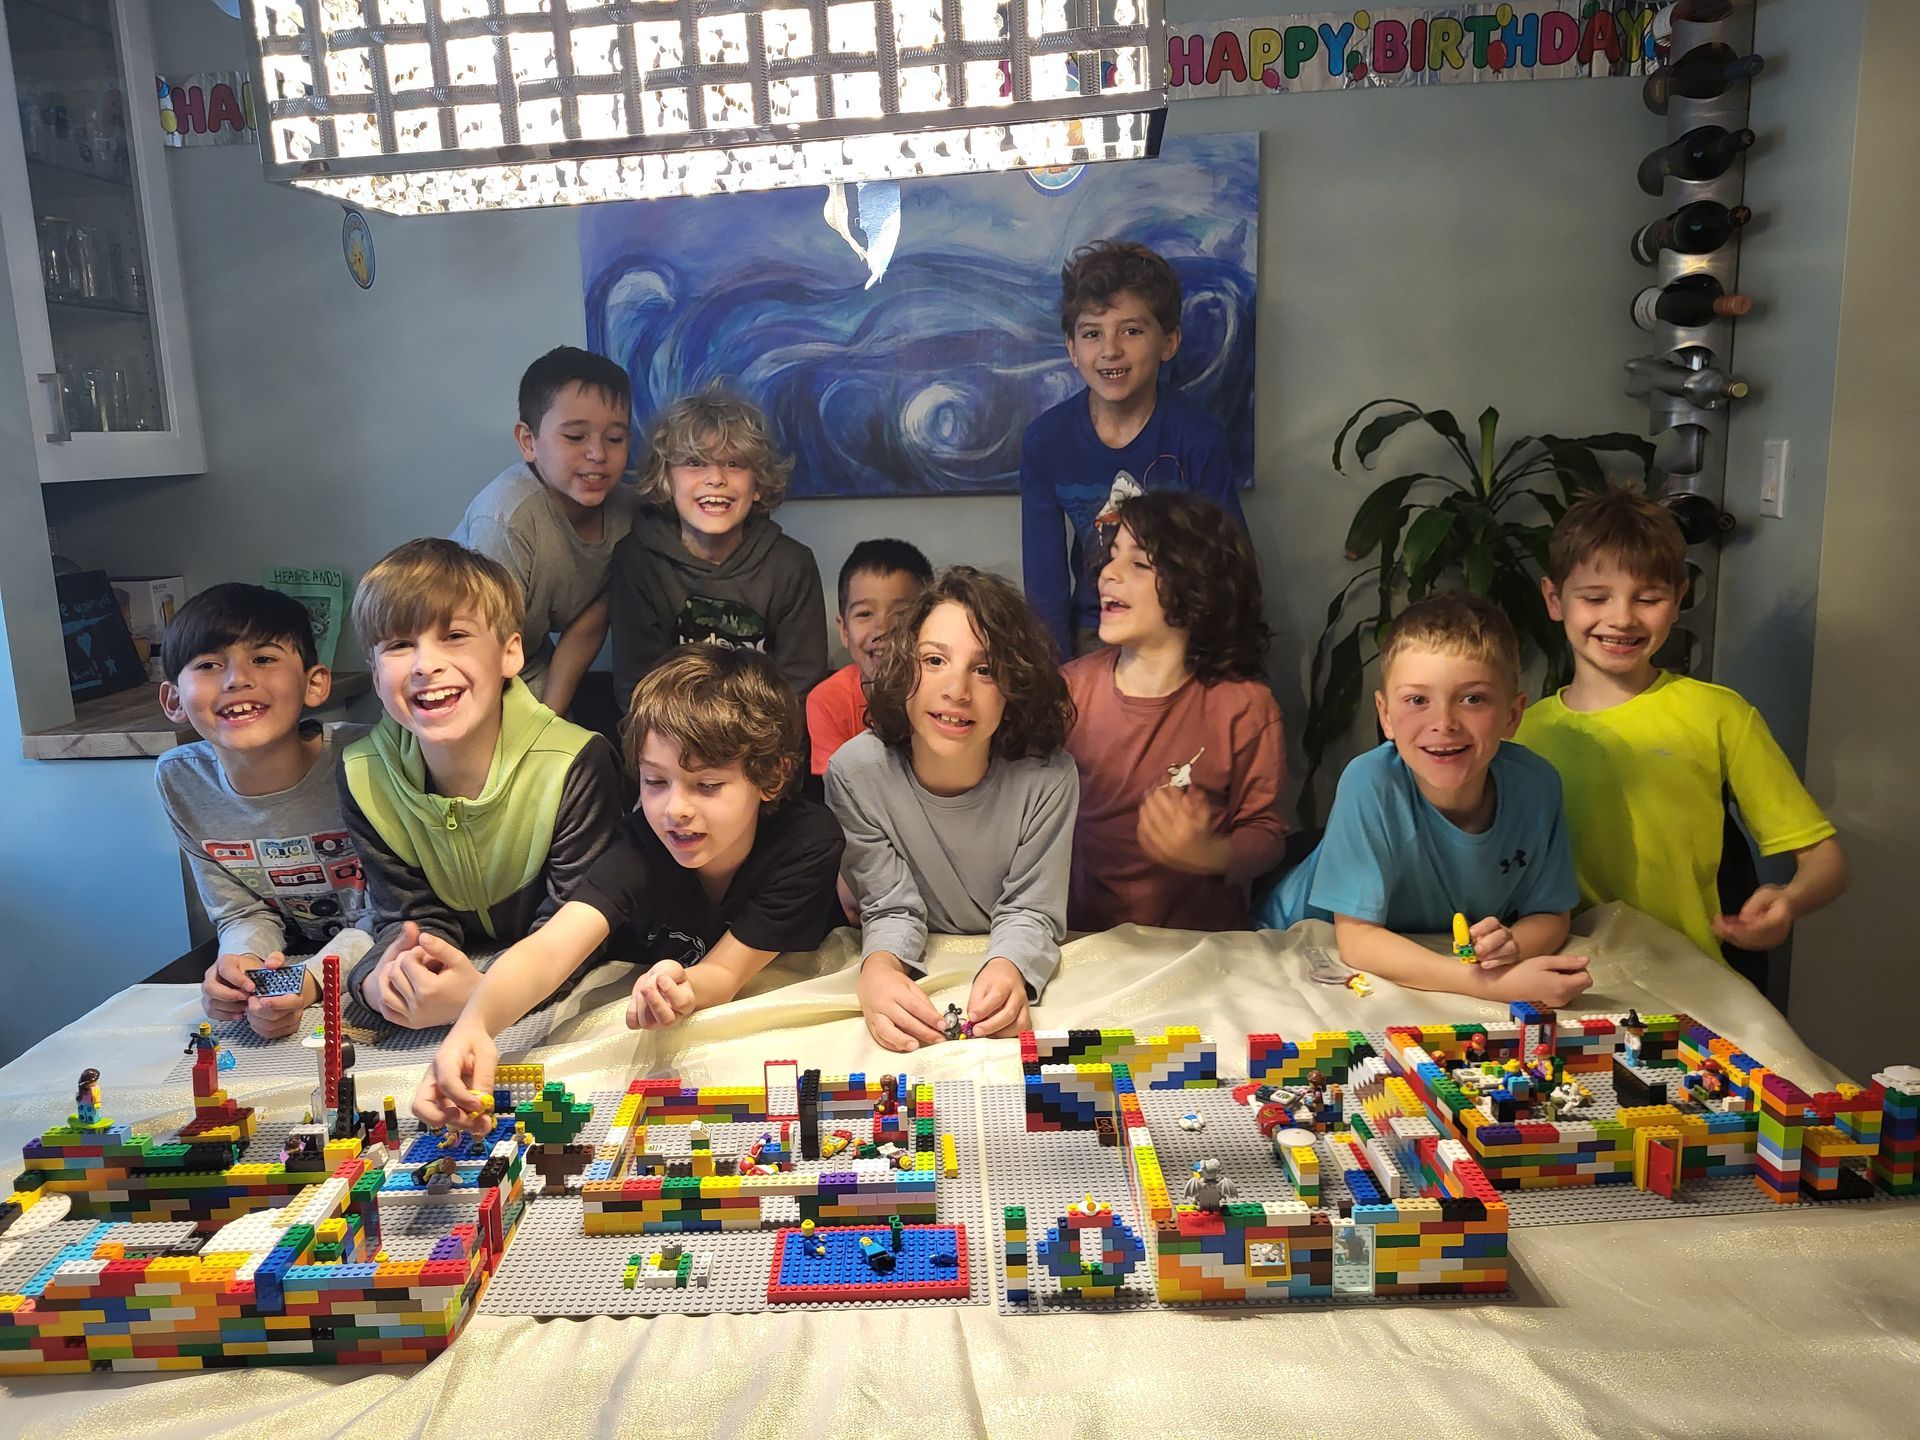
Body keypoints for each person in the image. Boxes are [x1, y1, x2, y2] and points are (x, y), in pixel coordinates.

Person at [412, 646, 845, 1131]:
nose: (674, 809)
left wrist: (682, 986)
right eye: (655, 780)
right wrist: (475, 1025)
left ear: (772, 776)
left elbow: (723, 975)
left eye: (707, 785)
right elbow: (550, 948)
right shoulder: (640, 845)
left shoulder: (806, 843)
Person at [1518, 488, 1847, 968]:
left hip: (1697, 986)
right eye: (1595, 597)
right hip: (1568, 981)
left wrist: (1788, 902)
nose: (1622, 618)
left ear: (1678, 601)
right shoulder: (1522, 734)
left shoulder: (1718, 714)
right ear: (1554, 599)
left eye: (1648, 598)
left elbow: (1826, 863)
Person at [338, 538, 623, 1027]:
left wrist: (488, 997)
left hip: (559, 984)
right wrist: (399, 974)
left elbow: (578, 926)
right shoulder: (363, 775)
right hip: (464, 979)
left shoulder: (576, 762)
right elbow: (407, 918)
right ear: (374, 671)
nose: (426, 665)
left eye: (453, 636)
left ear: (510, 653)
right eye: (400, 645)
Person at [1256, 593, 1592, 1006]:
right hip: (1292, 940)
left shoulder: (1538, 786)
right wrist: (1494, 985)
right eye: (1417, 700)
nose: (1444, 723)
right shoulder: (1369, 782)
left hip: (1425, 951)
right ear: (1385, 715)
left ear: (1513, 714)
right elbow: (1357, 940)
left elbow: (1551, 915)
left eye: (1473, 699)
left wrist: (1509, 949)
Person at [827, 567, 1079, 1051]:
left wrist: (1010, 968)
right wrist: (877, 970)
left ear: (1014, 684)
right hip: (916, 968)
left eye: (984, 670)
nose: (957, 691)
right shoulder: (855, 773)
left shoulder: (1049, 778)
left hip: (1002, 967)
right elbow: (888, 905)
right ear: (903, 669)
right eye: (935, 660)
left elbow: (1031, 908)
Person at [156, 583, 371, 1039]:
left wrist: (312, 980)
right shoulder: (182, 782)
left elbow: (399, 911)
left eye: (265, 659)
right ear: (174, 700)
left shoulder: (369, 760)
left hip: (390, 962)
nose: (237, 679)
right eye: (210, 665)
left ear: (315, 683)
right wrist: (243, 964)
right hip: (298, 964)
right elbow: (241, 912)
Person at [1063, 492, 1286, 931]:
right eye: (1111, 556)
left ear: (1197, 587)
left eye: (1140, 563)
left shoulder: (1245, 707)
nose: (1108, 573)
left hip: (1202, 949)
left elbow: (1267, 833)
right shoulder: (1067, 691)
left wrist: (1209, 853)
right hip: (1085, 939)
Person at [1020, 239, 1245, 657]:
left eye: (1132, 330)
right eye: (1092, 333)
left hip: (1180, 628)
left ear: (1169, 342)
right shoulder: (1044, 442)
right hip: (1095, 630)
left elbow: (1228, 567)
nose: (1110, 350)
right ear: (1072, 349)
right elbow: (1044, 584)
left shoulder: (1197, 436)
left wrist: (1221, 666)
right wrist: (1057, 680)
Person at [609, 389, 828, 704]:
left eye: (734, 464)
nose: (716, 478)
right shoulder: (636, 560)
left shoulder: (791, 565)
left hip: (764, 743)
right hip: (669, 740)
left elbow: (800, 687)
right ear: (667, 480)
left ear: (758, 485)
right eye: (695, 462)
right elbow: (637, 690)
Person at [452, 345, 637, 716]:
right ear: (528, 441)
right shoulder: (507, 520)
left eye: (614, 438)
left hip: (532, 657)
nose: (598, 454)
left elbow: (588, 626)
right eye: (575, 437)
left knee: (565, 755)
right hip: (463, 661)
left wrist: (550, 721)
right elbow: (480, 644)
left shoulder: (627, 515)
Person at [808, 538, 933, 778]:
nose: (883, 628)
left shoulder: (942, 693)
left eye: (902, 613)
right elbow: (836, 792)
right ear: (844, 630)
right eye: (864, 614)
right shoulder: (828, 701)